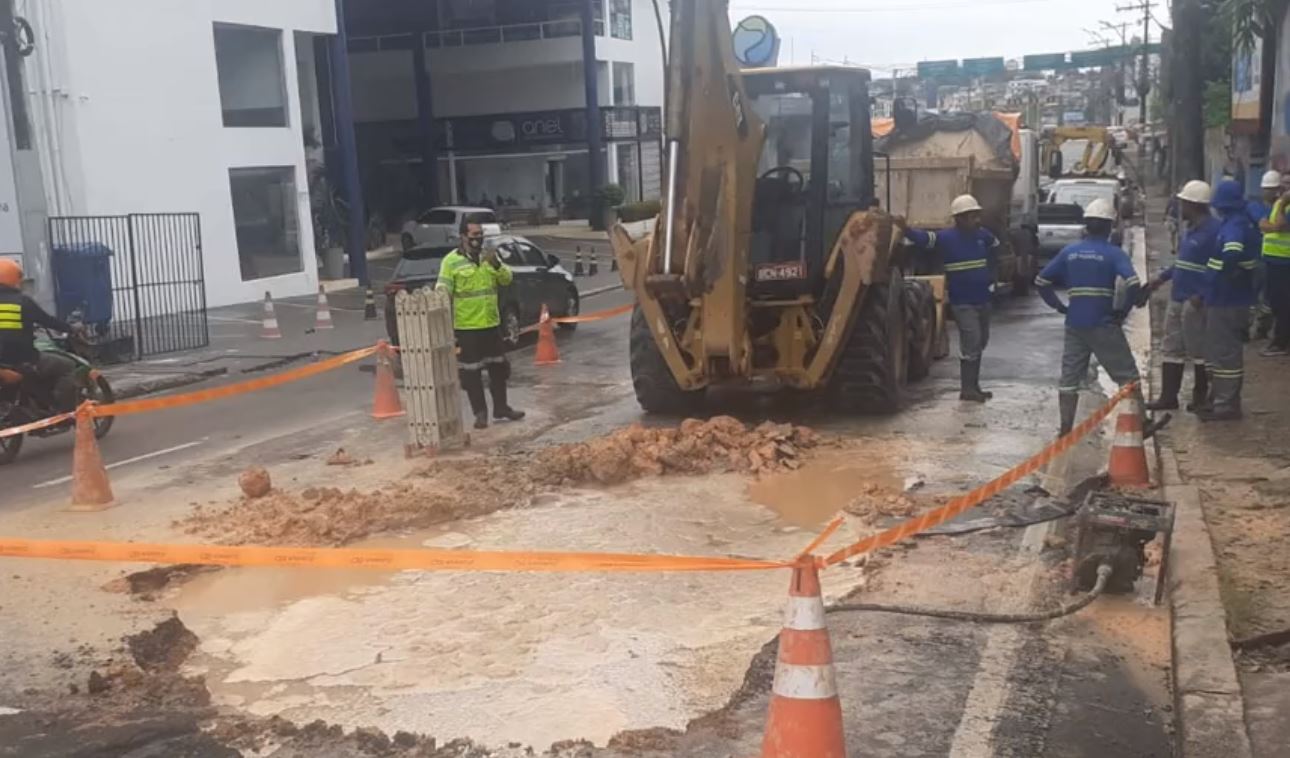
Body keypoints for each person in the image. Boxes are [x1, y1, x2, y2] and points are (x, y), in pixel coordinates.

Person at [1034, 198, 1153, 436]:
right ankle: (1141, 423)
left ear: (1086, 225)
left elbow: (1041, 281)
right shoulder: (1113, 253)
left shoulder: (1070, 251)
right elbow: (1132, 284)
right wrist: (1123, 311)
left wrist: (1060, 306)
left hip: (1075, 323)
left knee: (1069, 377)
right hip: (1103, 323)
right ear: (1110, 226)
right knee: (1126, 375)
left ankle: (1065, 427)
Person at [894, 194, 998, 403]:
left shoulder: (983, 235)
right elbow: (925, 240)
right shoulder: (946, 238)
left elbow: (995, 247)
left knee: (981, 342)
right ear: (958, 219)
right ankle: (967, 389)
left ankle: (974, 385)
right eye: (970, 216)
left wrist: (992, 279)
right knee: (972, 341)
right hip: (964, 302)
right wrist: (905, 228)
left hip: (983, 300)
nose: (975, 220)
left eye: (976, 215)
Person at [435, 217, 525, 429]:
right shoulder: (451, 262)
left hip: (491, 324)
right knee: (471, 373)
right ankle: (480, 414)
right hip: (467, 328)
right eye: (474, 235)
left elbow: (507, 278)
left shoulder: (489, 257)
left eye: (480, 235)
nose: (478, 239)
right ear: (463, 236)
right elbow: (443, 290)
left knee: (499, 368)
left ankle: (501, 408)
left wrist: (496, 263)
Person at [1145, 180, 1217, 412]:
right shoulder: (1191, 230)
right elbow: (1183, 264)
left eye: (1183, 203)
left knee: (1199, 350)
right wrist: (1162, 279)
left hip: (1195, 301)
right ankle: (1168, 397)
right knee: (1171, 347)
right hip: (1178, 296)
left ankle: (1200, 396)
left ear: (1194, 205)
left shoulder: (1213, 232)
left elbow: (1220, 268)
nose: (1180, 207)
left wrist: (1202, 294)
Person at [1199, 179, 1260, 421]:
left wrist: (1220, 275)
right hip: (1228, 297)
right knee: (1221, 351)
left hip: (1228, 298)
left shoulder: (1234, 226)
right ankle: (1220, 400)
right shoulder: (1240, 221)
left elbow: (1232, 252)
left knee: (1226, 354)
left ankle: (1226, 405)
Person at [0, 258, 81, 412]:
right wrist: (71, 328)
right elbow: (48, 321)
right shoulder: (22, 301)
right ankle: (65, 413)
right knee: (67, 366)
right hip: (22, 360)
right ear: (14, 279)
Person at [1257, 172, 1290, 356]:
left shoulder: (1286, 205)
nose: (1284, 188)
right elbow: (1265, 224)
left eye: (1288, 185)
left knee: (1282, 303)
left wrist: (1284, 203)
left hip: (1285, 261)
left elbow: (1279, 226)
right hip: (1273, 260)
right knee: (1276, 301)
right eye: (1282, 185)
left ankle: (1280, 343)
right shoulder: (1279, 204)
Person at [1247, 171, 1279, 342]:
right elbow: (1265, 226)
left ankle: (1262, 329)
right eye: (1268, 189)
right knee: (1252, 295)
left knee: (1269, 298)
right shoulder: (1255, 206)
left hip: (1273, 259)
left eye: (1273, 189)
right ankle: (1246, 329)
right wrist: (1280, 226)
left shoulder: (1279, 206)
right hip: (1256, 257)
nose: (1271, 192)